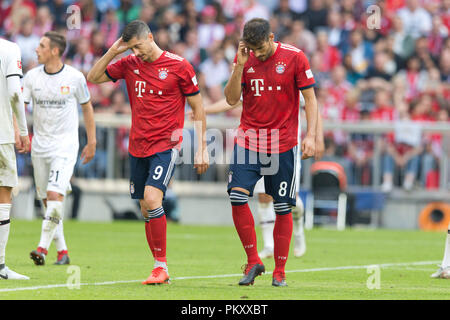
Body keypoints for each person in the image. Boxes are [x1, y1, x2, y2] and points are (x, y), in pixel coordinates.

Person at [87, 20, 209, 285]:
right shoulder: (129, 63)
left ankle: (160, 266)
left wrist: (202, 148)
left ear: (151, 37)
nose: (137, 53)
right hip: (137, 145)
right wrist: (113, 51)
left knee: (153, 198)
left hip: (166, 145)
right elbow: (93, 77)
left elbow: (199, 108)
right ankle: (158, 266)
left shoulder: (179, 66)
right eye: (131, 48)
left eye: (138, 46)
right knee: (145, 207)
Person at [224, 18, 320, 287]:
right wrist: (239, 66)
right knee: (237, 196)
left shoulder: (295, 57)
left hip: (283, 143)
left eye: (261, 48)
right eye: (253, 49)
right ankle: (254, 260)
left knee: (281, 207)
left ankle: (280, 271)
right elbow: (231, 99)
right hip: (249, 140)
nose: (259, 53)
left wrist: (311, 136)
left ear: (272, 37)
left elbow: (311, 99)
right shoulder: (245, 58)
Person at [191, 93, 324, 259]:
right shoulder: (256, 74)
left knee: (290, 200)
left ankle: (298, 231)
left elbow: (312, 103)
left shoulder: (290, 74)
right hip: (257, 145)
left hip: (286, 147)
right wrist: (205, 110)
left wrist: (318, 138)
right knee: (264, 196)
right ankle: (269, 245)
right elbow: (234, 99)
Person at [25, 31, 97, 266]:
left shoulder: (75, 77)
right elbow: (21, 108)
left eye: (42, 46)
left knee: (55, 195)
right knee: (49, 202)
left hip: (64, 146)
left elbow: (87, 108)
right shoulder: (32, 77)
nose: (37, 49)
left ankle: (42, 248)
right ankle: (63, 252)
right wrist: (19, 132)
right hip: (40, 147)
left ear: (54, 51)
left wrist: (92, 141)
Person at [0, 38, 30, 280]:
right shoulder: (9, 48)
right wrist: (23, 130)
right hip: (1, 136)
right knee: (4, 194)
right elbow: (14, 93)